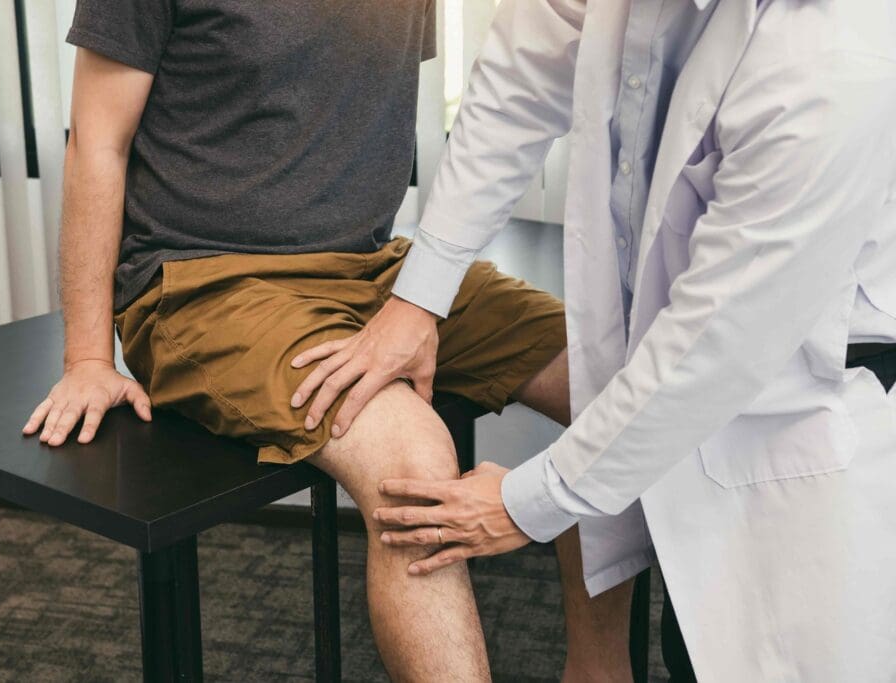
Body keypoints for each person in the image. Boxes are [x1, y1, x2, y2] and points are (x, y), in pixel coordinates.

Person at [21, 0, 637, 679]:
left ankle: (600, 670)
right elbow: (98, 141)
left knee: (612, 387)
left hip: (374, 267)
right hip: (203, 281)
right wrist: (85, 355)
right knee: (411, 454)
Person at [294, 0, 896, 680]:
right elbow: (516, 83)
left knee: (784, 651)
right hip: (698, 383)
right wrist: (419, 296)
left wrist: (526, 502)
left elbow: (715, 342)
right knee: (691, 642)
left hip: (805, 409)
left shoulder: (834, 58)